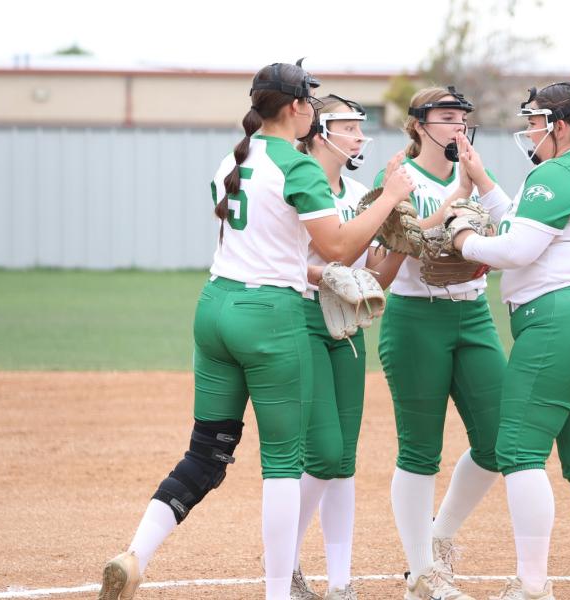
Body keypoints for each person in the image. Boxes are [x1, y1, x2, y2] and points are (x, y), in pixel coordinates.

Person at [94, 60, 415, 600]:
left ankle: (135, 555)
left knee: (206, 452)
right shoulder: (298, 166)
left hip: (215, 307)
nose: (313, 109)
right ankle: (276, 594)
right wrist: (389, 197)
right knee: (284, 464)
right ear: (294, 108)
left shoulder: (233, 159)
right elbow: (338, 247)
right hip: (269, 316)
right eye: (309, 101)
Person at [448, 81, 570, 600]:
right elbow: (527, 222)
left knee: (520, 451)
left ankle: (531, 585)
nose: (529, 130)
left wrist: (461, 235)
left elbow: (517, 247)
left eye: (534, 120)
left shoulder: (555, 171)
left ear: (557, 124)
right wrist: (483, 180)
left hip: (563, 321)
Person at [371, 86, 510, 600]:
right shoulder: (399, 177)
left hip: (473, 314)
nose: (457, 126)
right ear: (418, 124)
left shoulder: (474, 170)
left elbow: (506, 229)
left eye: (462, 118)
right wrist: (459, 201)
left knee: (499, 442)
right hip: (415, 318)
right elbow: (408, 242)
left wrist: (480, 188)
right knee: (419, 451)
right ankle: (422, 575)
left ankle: (440, 536)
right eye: (445, 117)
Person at [290, 94, 408, 600]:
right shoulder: (297, 179)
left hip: (346, 326)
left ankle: (340, 582)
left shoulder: (359, 191)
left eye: (362, 128)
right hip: (302, 319)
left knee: (345, 459)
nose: (360, 136)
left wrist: (404, 239)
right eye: (350, 127)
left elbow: (374, 276)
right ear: (320, 131)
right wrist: (328, 272)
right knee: (325, 451)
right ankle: (286, 566)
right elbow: (286, 258)